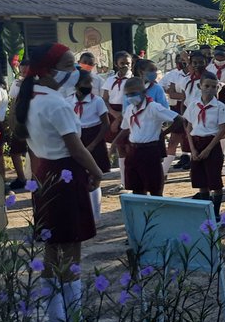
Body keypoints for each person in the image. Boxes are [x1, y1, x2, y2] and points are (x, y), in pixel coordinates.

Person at [13, 43, 104, 322]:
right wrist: (97, 171)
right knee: (72, 249)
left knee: (52, 249)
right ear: (50, 70)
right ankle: (72, 317)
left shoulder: (31, 97)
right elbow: (75, 147)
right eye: (68, 64)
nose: (74, 70)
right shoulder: (56, 103)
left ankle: (55, 320)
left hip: (43, 173)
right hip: (65, 174)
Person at [115, 77, 179, 196]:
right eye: (127, 94)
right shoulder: (130, 109)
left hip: (150, 150)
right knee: (137, 187)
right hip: (133, 150)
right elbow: (125, 128)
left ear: (144, 92)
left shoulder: (153, 107)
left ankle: (156, 211)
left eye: (133, 93)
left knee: (154, 186)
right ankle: (142, 212)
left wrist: (163, 133)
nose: (130, 97)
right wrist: (115, 142)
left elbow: (178, 119)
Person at [183, 72, 225, 215]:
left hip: (211, 144)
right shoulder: (193, 105)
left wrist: (208, 149)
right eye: (207, 86)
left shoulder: (220, 107)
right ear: (200, 86)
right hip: (196, 143)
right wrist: (192, 149)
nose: (210, 89)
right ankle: (206, 211)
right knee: (201, 181)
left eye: (214, 87)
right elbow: (189, 127)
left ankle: (215, 212)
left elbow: (222, 130)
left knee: (214, 180)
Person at [72, 71, 110, 224]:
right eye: (85, 83)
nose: (89, 86)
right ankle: (82, 214)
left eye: (90, 83)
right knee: (79, 176)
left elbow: (105, 124)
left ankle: (95, 217)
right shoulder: (69, 101)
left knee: (95, 175)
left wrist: (94, 144)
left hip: (93, 137)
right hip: (76, 137)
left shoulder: (97, 101)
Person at [102, 51, 133, 191]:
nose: (125, 66)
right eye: (122, 63)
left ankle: (132, 179)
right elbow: (105, 99)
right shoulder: (110, 80)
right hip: (113, 112)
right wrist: (114, 114)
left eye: (128, 63)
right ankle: (124, 181)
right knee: (120, 148)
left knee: (129, 147)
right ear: (116, 64)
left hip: (128, 112)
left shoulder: (133, 80)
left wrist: (122, 116)